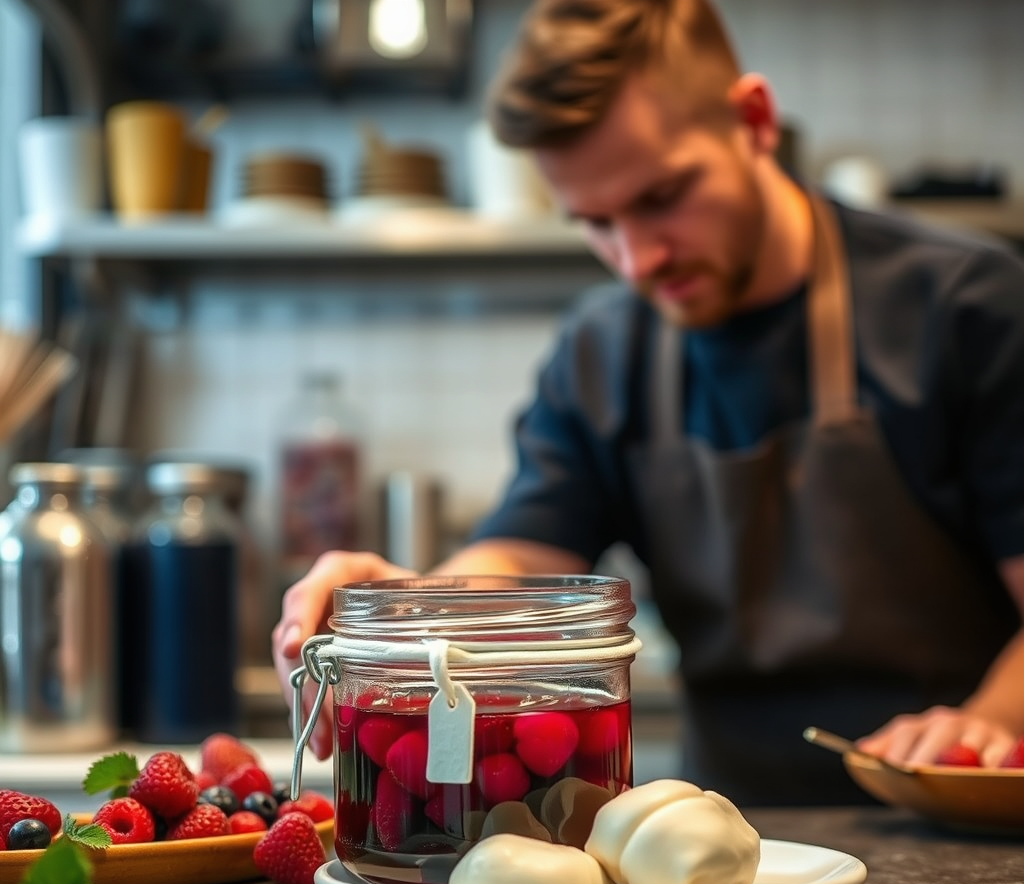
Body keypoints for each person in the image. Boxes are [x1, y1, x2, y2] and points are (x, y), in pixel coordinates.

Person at [273, 0, 1024, 804]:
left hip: (950, 819)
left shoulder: (966, 307)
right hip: (727, 834)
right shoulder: (604, 350)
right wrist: (409, 611)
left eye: (662, 196)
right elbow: (523, 557)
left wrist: (986, 725)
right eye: (596, 222)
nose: (637, 259)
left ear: (754, 121)